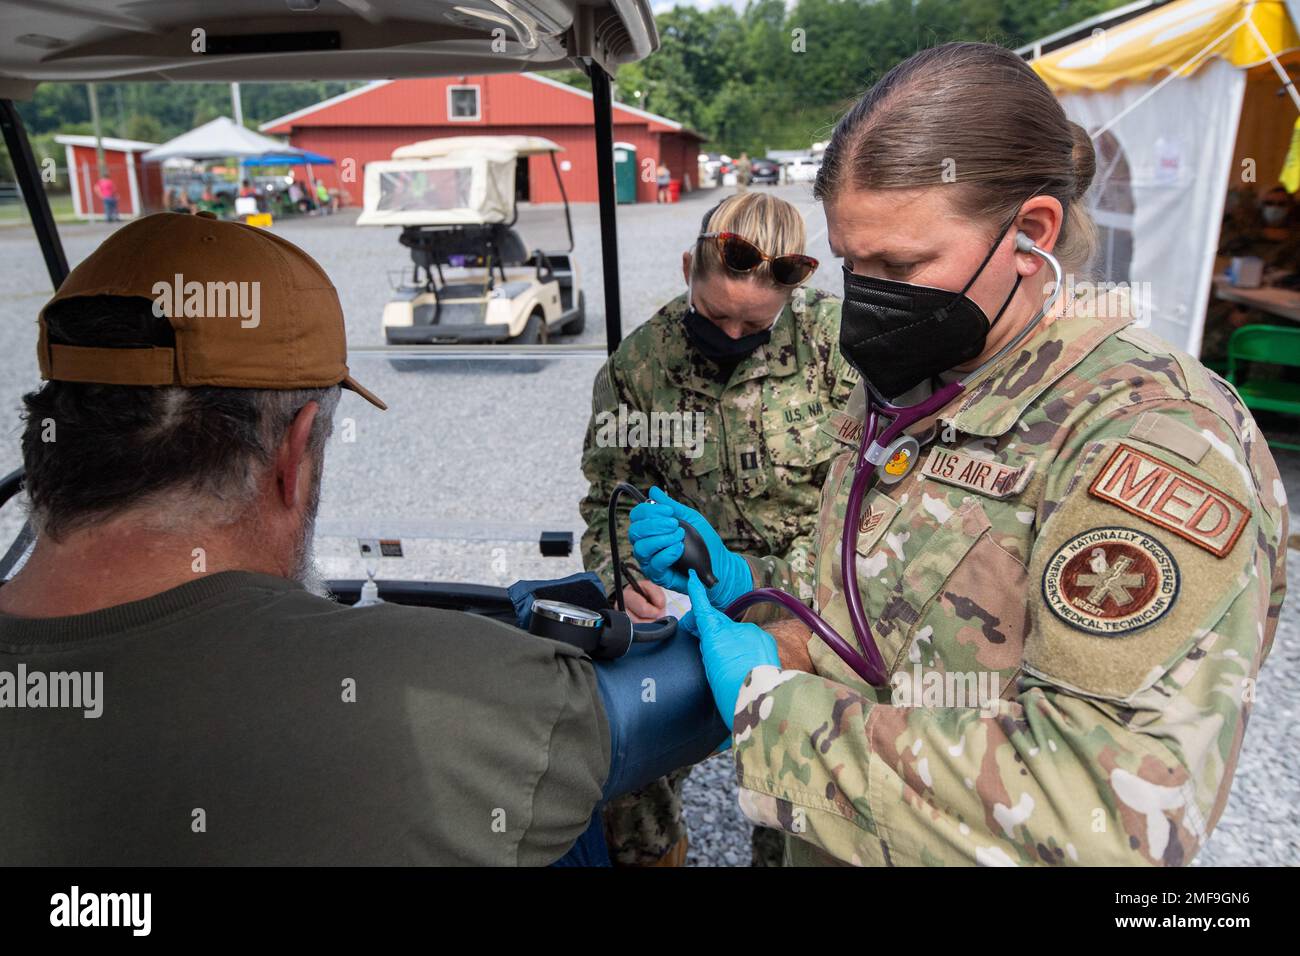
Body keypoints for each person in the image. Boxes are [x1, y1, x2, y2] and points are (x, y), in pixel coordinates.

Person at [643, 42, 1287, 866]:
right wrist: (764, 601)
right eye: (853, 264)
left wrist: (776, 713)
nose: (869, 298)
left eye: (901, 266)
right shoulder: (919, 377)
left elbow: (1104, 819)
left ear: (1032, 233)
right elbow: (875, 617)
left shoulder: (1149, 439)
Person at [0, 212, 715, 865]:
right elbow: (673, 703)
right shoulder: (438, 694)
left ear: (47, 444)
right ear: (295, 454)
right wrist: (736, 597)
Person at [579, 191, 858, 866]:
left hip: (815, 615)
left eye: (754, 324)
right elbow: (609, 497)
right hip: (692, 613)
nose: (733, 335)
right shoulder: (639, 366)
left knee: (798, 803)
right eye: (716, 316)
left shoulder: (842, 350)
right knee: (619, 773)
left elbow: (870, 514)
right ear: (686, 269)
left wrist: (762, 587)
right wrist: (625, 575)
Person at [1201, 183, 1300, 366]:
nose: (1275, 209)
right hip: (1239, 298)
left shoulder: (1294, 236)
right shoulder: (1249, 229)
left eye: (1281, 204)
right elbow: (1222, 244)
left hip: (1274, 306)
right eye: (1270, 203)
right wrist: (1260, 234)